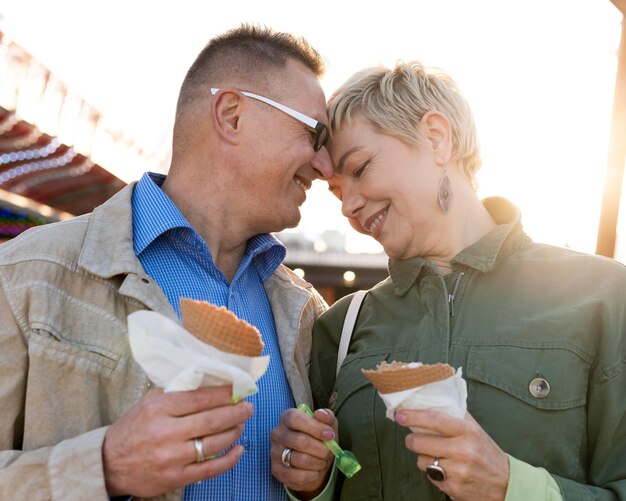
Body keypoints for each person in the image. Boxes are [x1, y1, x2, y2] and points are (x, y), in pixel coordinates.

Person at [0, 24, 337, 500]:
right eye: (314, 133)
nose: (325, 165)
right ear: (233, 114)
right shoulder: (22, 274)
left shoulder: (304, 314)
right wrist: (106, 466)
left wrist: (319, 483)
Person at [270, 60, 626, 500]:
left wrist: (510, 486)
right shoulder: (341, 328)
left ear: (436, 138)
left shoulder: (606, 297)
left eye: (359, 169)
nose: (349, 207)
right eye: (339, 192)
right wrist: (315, 483)